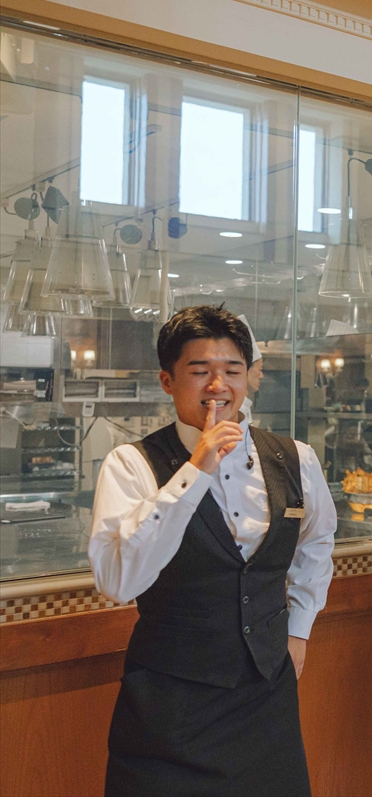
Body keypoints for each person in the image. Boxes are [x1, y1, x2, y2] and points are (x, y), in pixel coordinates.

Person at [88, 305, 336, 796]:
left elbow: (316, 542)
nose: (218, 385)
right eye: (200, 371)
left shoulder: (295, 458)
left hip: (266, 697)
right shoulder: (131, 464)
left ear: (249, 377)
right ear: (167, 380)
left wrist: (300, 629)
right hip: (170, 703)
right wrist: (195, 470)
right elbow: (118, 582)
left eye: (232, 371)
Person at [235, 313, 264, 423]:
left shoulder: (244, 406)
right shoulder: (234, 409)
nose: (261, 376)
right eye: (260, 369)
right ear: (245, 370)